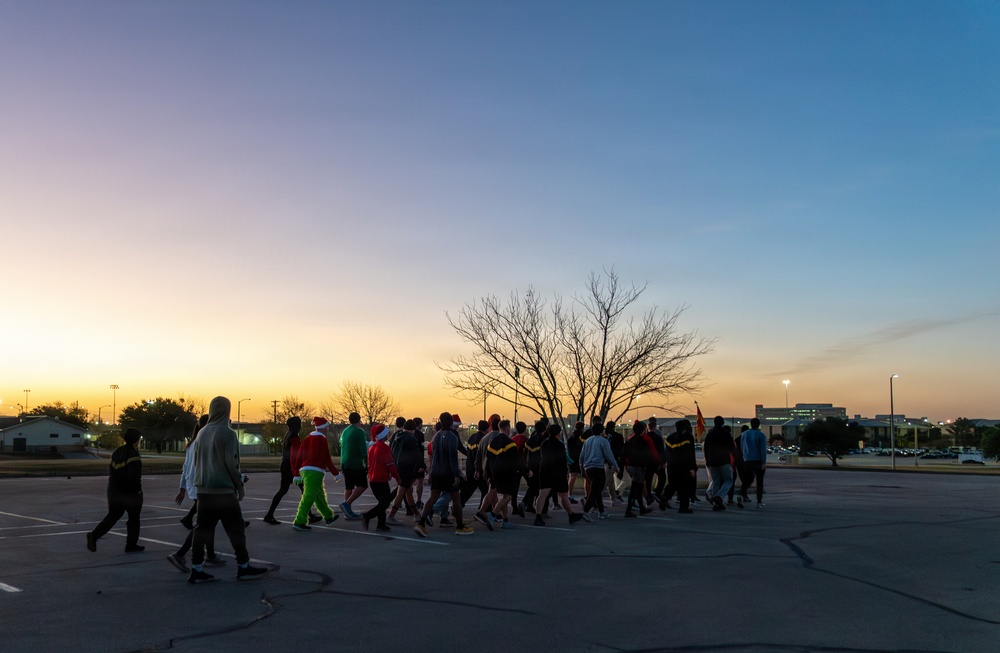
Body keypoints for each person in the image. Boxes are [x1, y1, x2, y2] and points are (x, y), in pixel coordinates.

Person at [187, 396, 267, 583]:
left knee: (202, 529)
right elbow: (231, 463)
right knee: (235, 529)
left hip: (203, 490)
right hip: (222, 490)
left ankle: (196, 568)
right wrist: (240, 486)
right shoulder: (228, 433)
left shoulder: (202, 433)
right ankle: (243, 566)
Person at [168, 416, 224, 571]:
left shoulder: (193, 442)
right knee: (204, 524)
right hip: (204, 488)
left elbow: (185, 467)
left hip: (196, 487)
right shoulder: (204, 442)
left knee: (209, 523)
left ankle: (211, 555)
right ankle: (179, 555)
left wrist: (182, 488)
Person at [413, 412, 474, 537]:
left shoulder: (436, 436)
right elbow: (452, 457)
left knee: (433, 497)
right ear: (451, 422)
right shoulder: (452, 437)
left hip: (436, 471)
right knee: (456, 499)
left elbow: (434, 456)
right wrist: (456, 474)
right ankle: (460, 525)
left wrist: (431, 472)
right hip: (448, 473)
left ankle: (421, 522)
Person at [87, 427, 145, 554]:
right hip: (129, 494)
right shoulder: (134, 456)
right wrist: (138, 493)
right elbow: (134, 478)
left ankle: (94, 535)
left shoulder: (117, 452)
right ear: (136, 441)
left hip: (114, 491)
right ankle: (131, 545)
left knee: (113, 516)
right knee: (134, 519)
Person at [263, 416, 320, 525]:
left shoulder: (287, 435)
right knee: (305, 490)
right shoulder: (295, 437)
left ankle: (269, 515)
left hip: (285, 465)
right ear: (297, 425)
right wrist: (296, 470)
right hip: (291, 467)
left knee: (284, 490)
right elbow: (294, 456)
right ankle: (308, 515)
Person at [292, 417, 342, 531]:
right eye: (327, 427)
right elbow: (326, 458)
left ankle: (328, 516)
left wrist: (296, 473)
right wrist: (335, 473)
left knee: (318, 494)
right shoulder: (322, 440)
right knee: (309, 496)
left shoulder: (307, 439)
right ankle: (299, 521)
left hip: (305, 470)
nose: (327, 429)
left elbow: (299, 456)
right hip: (315, 471)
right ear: (323, 428)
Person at [533, 424, 584, 526]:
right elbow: (562, 459)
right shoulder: (559, 444)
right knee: (564, 495)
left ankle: (538, 516)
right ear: (558, 433)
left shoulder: (544, 443)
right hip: (557, 473)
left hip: (545, 471)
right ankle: (571, 515)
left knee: (542, 494)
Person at [484, 419, 530, 527]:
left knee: (504, 496)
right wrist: (526, 471)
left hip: (495, 473)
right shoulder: (510, 444)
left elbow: (488, 459)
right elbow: (516, 461)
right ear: (506, 428)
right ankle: (493, 513)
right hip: (507, 473)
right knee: (509, 495)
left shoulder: (492, 443)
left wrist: (488, 474)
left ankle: (505, 520)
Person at [362, 423, 400, 532]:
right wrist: (397, 477)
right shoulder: (384, 447)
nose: (388, 434)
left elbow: (370, 464)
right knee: (385, 502)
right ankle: (368, 516)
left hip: (373, 478)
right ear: (383, 434)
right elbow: (390, 464)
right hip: (381, 478)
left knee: (382, 502)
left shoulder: (372, 447)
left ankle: (381, 523)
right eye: (386, 433)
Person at [387, 419, 424, 524]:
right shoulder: (411, 439)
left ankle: (416, 514)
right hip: (407, 468)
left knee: (408, 492)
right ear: (413, 429)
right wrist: (422, 465)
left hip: (398, 467)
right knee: (401, 492)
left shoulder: (397, 437)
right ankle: (391, 515)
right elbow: (417, 454)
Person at [579, 420, 618, 519]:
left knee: (595, 489)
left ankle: (601, 511)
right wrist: (616, 466)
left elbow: (582, 456)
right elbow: (609, 455)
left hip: (588, 467)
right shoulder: (603, 441)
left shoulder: (587, 441)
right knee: (595, 490)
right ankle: (586, 510)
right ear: (602, 431)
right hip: (598, 467)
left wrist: (581, 467)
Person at [661, 419, 697, 514]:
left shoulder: (669, 438)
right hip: (683, 466)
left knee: (673, 484)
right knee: (684, 487)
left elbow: (666, 453)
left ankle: (664, 498)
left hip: (671, 466)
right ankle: (683, 507)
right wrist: (691, 468)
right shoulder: (686, 439)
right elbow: (688, 455)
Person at [622, 421, 658, 518]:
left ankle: (642, 508)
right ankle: (628, 510)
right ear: (643, 429)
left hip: (630, 466)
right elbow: (648, 455)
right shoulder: (643, 441)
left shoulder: (630, 440)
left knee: (638, 487)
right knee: (635, 488)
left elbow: (624, 454)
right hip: (638, 467)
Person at [703, 415, 736, 511]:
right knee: (728, 480)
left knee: (716, 481)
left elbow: (706, 449)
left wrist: (707, 460)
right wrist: (736, 459)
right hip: (724, 461)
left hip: (712, 461)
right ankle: (719, 497)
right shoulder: (726, 434)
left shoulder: (710, 434)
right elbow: (732, 448)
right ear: (722, 423)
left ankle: (716, 504)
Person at [339, 412, 368, 520]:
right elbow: (363, 449)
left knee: (349, 486)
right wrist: (366, 462)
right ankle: (347, 504)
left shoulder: (345, 431)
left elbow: (341, 444)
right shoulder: (359, 431)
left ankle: (348, 511)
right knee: (363, 485)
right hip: (355, 463)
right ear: (359, 420)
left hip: (345, 461)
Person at [741, 418, 768, 508]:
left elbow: (742, 447)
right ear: (758, 425)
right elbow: (763, 450)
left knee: (746, 480)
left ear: (750, 424)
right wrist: (763, 463)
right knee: (759, 482)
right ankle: (759, 501)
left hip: (747, 460)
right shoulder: (761, 435)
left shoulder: (744, 434)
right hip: (758, 461)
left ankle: (742, 495)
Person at [729, 424, 750, 507]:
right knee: (745, 480)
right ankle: (743, 495)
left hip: (736, 461)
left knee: (732, 480)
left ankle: (730, 498)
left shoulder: (736, 440)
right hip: (745, 461)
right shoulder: (747, 440)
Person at [606, 420, 625, 505]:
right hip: (613, 460)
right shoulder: (618, 436)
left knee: (611, 481)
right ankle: (593, 500)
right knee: (607, 481)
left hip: (604, 460)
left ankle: (613, 497)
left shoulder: (604, 436)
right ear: (614, 427)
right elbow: (621, 449)